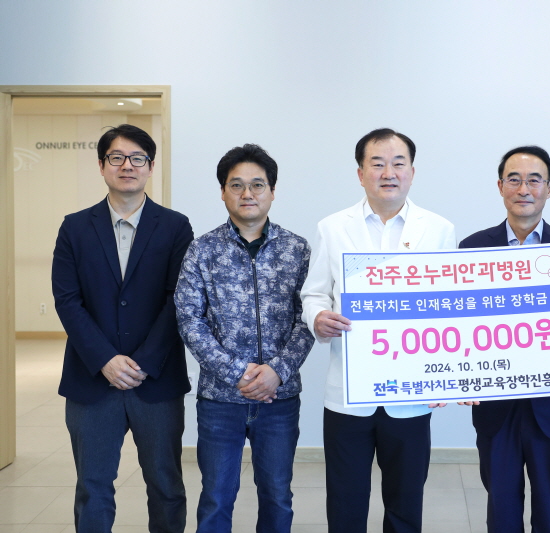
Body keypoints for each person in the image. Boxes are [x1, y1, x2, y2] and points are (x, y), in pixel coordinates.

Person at [300, 128, 456, 533]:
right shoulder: (333, 227)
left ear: (412, 172)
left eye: (398, 163)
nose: (389, 172)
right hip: (348, 395)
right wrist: (317, 317)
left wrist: (446, 374)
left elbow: (449, 309)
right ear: (360, 173)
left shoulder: (438, 229)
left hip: (411, 394)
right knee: (345, 502)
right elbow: (314, 293)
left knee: (405, 502)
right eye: (378, 163)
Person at [52, 124, 193, 532]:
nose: (127, 166)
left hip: (157, 380)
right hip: (92, 381)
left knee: (166, 486)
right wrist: (106, 360)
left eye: (137, 158)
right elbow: (67, 300)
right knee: (92, 487)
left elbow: (179, 299)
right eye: (116, 157)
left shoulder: (175, 227)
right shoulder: (75, 227)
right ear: (101, 166)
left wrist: (143, 362)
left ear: (150, 166)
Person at [458, 146, 550, 533]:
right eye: (514, 179)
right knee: (501, 508)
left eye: (534, 180)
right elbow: (461, 322)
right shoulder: (472, 248)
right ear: (500, 186)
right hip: (496, 405)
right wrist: (460, 374)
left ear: (549, 189)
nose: (524, 189)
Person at [175, 144, 314, 533]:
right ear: (223, 192)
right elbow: (189, 318)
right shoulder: (203, 249)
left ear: (272, 191)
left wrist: (277, 372)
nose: (247, 193)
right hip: (221, 400)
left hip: (279, 398)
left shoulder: (297, 249)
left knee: (277, 495)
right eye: (236, 185)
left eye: (257, 184)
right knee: (217, 497)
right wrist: (237, 372)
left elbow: (308, 317)